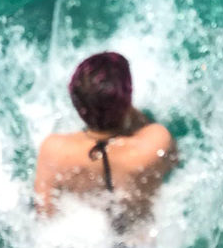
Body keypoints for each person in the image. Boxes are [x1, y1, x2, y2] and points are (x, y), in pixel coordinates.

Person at [34, 52, 177, 235]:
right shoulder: (156, 141)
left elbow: (45, 215)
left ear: (77, 103)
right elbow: (174, 165)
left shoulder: (53, 150)